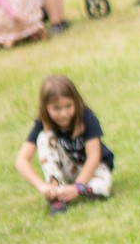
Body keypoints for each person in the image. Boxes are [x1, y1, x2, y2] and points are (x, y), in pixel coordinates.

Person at [15, 73, 114, 217]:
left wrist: (78, 187)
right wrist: (42, 187)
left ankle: (81, 190)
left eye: (68, 106)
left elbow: (94, 156)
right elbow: (21, 160)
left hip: (92, 169)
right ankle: (58, 194)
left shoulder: (87, 117)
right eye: (56, 108)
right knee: (44, 137)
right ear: (45, 107)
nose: (64, 113)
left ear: (76, 102)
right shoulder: (42, 124)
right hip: (67, 170)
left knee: (102, 187)